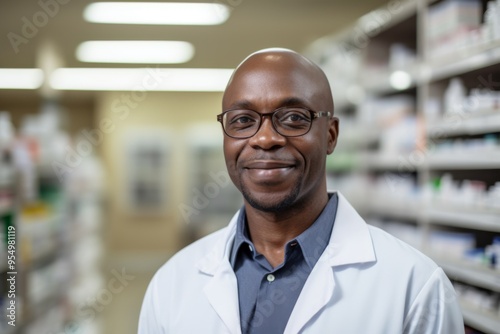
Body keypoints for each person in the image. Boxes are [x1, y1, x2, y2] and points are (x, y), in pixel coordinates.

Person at [138, 48, 464, 334]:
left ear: (331, 135)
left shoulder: (415, 286)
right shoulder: (172, 284)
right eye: (242, 120)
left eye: (294, 118)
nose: (265, 139)